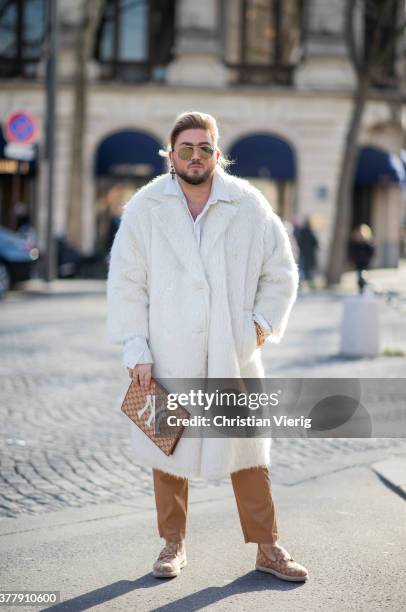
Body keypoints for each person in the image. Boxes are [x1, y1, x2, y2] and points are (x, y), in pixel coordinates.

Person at [107, 112, 308, 582]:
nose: (195, 157)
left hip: (230, 351)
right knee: (167, 449)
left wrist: (257, 327)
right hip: (164, 347)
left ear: (218, 154)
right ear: (171, 154)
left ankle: (268, 547)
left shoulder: (249, 205)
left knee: (247, 451)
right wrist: (136, 348)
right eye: (185, 149)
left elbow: (280, 273)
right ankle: (172, 545)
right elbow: (126, 283)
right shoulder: (145, 207)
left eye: (204, 148)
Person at [348, 224, 375, 294]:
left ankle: (364, 285)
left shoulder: (367, 243)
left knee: (364, 273)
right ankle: (361, 286)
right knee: (359, 274)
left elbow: (371, 251)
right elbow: (352, 251)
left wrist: (368, 257)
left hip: (365, 261)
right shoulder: (356, 243)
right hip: (358, 261)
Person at [294, 216, 319, 289]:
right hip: (310, 255)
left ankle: (299, 286)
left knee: (302, 270)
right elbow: (316, 244)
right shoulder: (312, 233)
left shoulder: (301, 233)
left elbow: (299, 242)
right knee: (309, 271)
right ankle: (311, 286)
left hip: (303, 254)